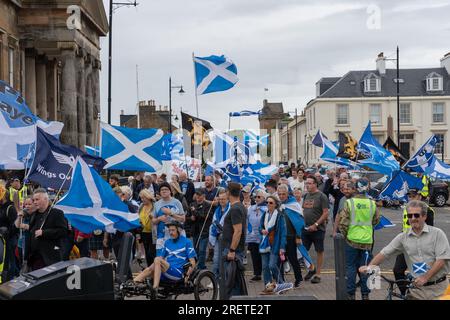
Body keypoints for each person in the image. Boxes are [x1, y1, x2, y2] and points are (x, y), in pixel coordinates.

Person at [360, 200, 450, 300]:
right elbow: (384, 253)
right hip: (417, 291)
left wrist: (425, 277)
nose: (413, 218)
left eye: (416, 215)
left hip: (440, 290)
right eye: (410, 216)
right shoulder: (403, 237)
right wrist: (370, 267)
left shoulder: (437, 234)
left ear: (424, 216)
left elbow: (441, 260)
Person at [339, 178, 380, 300]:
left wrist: (346, 235)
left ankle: (351, 294)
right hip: (367, 241)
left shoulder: (350, 203)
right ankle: (365, 294)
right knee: (366, 268)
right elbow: (376, 220)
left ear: (356, 188)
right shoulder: (372, 203)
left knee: (350, 267)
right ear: (367, 188)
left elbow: (343, 223)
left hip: (351, 240)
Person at [132, 221, 196, 296]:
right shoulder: (167, 242)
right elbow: (160, 258)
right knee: (150, 268)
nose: (171, 232)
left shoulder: (187, 242)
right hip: (167, 271)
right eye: (169, 230)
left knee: (157, 260)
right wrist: (149, 270)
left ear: (178, 230)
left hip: (178, 273)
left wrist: (187, 275)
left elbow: (193, 262)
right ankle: (132, 284)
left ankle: (155, 288)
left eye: (173, 230)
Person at [393, 188, 435, 296]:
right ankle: (406, 294)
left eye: (413, 196)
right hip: (405, 245)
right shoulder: (406, 209)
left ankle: (421, 295)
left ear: (419, 196)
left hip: (419, 248)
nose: (410, 198)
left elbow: (428, 232)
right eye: (409, 196)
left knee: (419, 274)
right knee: (397, 270)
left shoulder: (428, 211)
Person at [27, 188, 67, 271]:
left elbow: (63, 231)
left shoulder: (57, 213)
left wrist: (44, 232)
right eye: (34, 200)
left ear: (45, 199)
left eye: (37, 199)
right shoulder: (34, 214)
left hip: (50, 257)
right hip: (34, 257)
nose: (34, 202)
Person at [221, 182, 247, 298]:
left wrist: (232, 250)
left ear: (228, 192)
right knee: (234, 281)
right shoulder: (239, 206)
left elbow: (238, 231)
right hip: (234, 249)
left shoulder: (236, 208)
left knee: (232, 282)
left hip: (233, 250)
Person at [301, 176, 329, 284]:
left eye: (309, 183)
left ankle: (318, 274)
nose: (307, 185)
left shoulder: (322, 196)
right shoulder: (306, 196)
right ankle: (311, 269)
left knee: (319, 251)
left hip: (318, 229)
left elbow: (325, 212)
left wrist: (316, 224)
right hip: (306, 228)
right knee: (303, 251)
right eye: (306, 183)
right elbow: (304, 210)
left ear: (315, 184)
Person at [277, 184, 305, 288]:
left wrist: (298, 236)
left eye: (283, 194)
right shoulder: (277, 204)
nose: (281, 196)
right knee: (280, 259)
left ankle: (298, 278)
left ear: (287, 193)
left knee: (293, 258)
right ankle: (281, 280)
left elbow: (299, 222)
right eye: (279, 194)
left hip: (291, 236)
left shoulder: (294, 204)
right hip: (280, 237)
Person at [259, 195, 287, 293]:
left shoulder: (280, 216)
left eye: (271, 203)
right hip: (264, 243)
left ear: (275, 205)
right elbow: (260, 227)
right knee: (265, 267)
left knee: (271, 265)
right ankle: (268, 286)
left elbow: (283, 233)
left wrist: (282, 247)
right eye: (267, 202)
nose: (268, 204)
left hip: (275, 244)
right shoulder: (264, 214)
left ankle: (282, 284)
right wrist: (262, 230)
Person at [153, 182, 186, 256]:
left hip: (176, 236)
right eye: (162, 190)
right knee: (160, 258)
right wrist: (159, 219)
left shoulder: (177, 202)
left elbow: (183, 219)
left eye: (166, 189)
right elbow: (153, 221)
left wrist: (171, 214)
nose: (164, 191)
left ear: (170, 191)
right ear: (160, 192)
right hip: (161, 236)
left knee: (174, 258)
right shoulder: (157, 204)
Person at [189, 189, 213, 270]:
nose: (198, 198)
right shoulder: (192, 204)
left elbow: (204, 217)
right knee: (196, 249)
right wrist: (190, 218)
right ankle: (197, 264)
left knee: (202, 250)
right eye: (197, 196)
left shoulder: (208, 205)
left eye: (200, 196)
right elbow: (187, 217)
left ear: (203, 196)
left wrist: (195, 212)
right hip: (195, 231)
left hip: (204, 231)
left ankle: (201, 266)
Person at [246, 189, 266, 282]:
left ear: (264, 198)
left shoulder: (267, 208)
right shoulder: (251, 208)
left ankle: (267, 273)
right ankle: (257, 274)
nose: (257, 199)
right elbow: (247, 220)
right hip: (253, 235)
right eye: (255, 197)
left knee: (264, 255)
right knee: (255, 255)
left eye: (259, 197)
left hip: (263, 236)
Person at [209, 189, 230, 278]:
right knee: (216, 259)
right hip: (217, 237)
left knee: (225, 260)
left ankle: (225, 279)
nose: (221, 201)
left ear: (228, 199)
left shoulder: (231, 209)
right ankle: (215, 279)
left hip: (227, 239)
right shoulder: (217, 210)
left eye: (223, 199)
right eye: (220, 199)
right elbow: (213, 223)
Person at [0, 184, 17, 280]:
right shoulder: (1, 206)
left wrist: (6, 231)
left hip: (9, 240)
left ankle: (10, 280)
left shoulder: (10, 208)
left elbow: (15, 227)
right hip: (2, 240)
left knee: (9, 261)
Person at [138, 189, 157, 267]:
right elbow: (138, 216)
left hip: (153, 233)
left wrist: (153, 218)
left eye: (144, 198)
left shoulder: (155, 205)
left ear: (148, 197)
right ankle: (150, 270)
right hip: (143, 232)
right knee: (147, 253)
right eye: (141, 198)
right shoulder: (141, 206)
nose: (142, 200)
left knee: (151, 253)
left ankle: (156, 269)